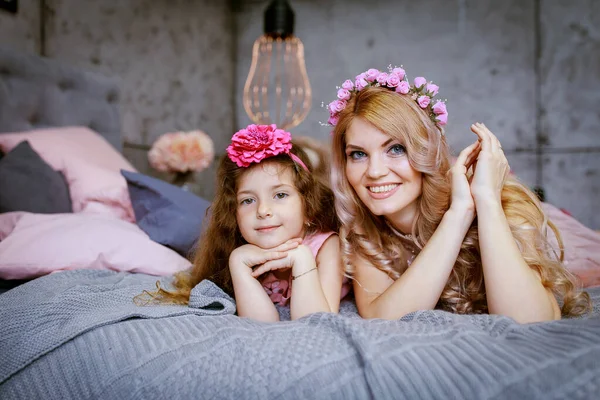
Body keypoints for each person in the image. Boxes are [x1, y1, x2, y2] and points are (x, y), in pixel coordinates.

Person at [326, 66, 591, 323]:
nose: (374, 172)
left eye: (395, 149)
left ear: (426, 151)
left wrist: (485, 200)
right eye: (358, 154)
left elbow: (531, 320)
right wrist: (459, 214)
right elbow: (381, 317)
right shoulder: (364, 231)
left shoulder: (502, 205)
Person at [146, 124, 348, 322]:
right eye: (248, 200)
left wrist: (302, 259)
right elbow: (260, 326)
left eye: (280, 195)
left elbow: (317, 322)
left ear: (309, 208)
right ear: (233, 215)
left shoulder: (326, 247)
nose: (262, 210)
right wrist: (239, 263)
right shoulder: (241, 249)